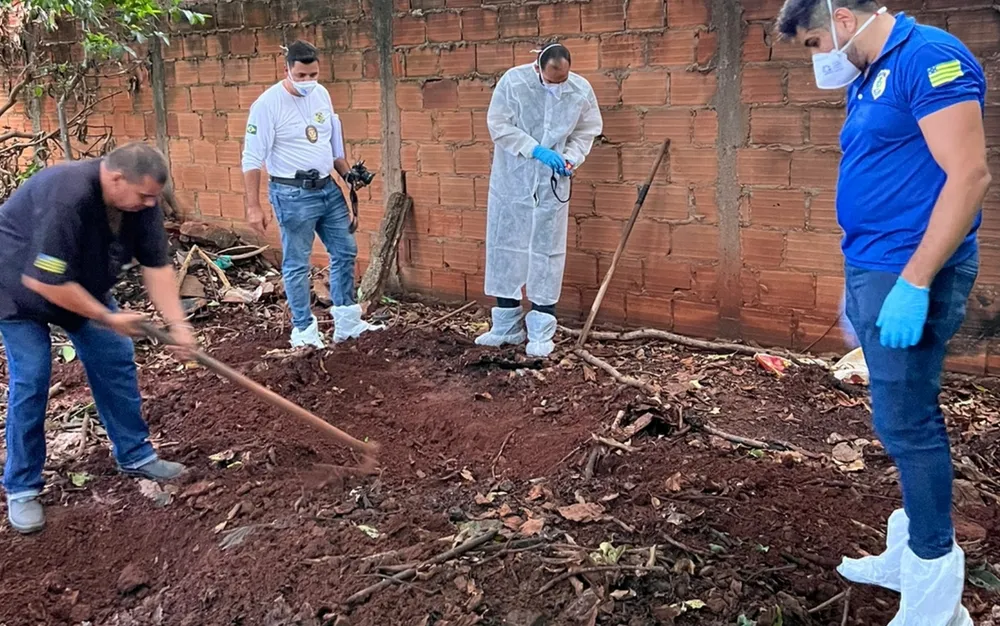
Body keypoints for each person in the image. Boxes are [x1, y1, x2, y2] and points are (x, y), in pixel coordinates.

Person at [776, 2, 990, 624]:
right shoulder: (872, 70)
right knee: (896, 414)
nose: (819, 58)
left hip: (910, 271)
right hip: (875, 266)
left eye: (817, 41)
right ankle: (908, 552)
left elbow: (969, 174)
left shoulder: (930, 58)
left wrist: (915, 282)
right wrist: (863, 280)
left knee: (909, 423)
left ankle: (935, 593)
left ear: (844, 18)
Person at [0, 142, 198, 534]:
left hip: (81, 284)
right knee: (34, 375)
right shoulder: (67, 195)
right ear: (115, 178)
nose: (149, 204)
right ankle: (21, 487)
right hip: (16, 290)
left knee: (113, 352)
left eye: (153, 197)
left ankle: (135, 454)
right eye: (143, 196)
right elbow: (43, 280)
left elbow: (157, 267)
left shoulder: (140, 202)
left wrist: (178, 326)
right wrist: (107, 315)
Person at [242, 39, 380, 349]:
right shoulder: (267, 105)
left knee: (345, 251)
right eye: (301, 75)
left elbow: (331, 144)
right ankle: (304, 330)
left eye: (313, 75)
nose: (308, 82)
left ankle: (347, 320)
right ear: (287, 69)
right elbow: (251, 158)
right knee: (297, 263)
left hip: (327, 189)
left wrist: (347, 175)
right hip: (292, 194)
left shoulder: (322, 95)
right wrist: (252, 205)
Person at [477, 43, 603, 358]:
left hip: (551, 184)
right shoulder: (514, 82)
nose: (557, 87)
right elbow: (499, 125)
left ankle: (542, 330)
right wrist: (535, 149)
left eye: (563, 80)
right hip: (513, 178)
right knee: (506, 247)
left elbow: (586, 131)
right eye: (552, 80)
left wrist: (570, 158)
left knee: (547, 251)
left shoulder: (580, 89)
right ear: (538, 67)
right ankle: (505, 326)